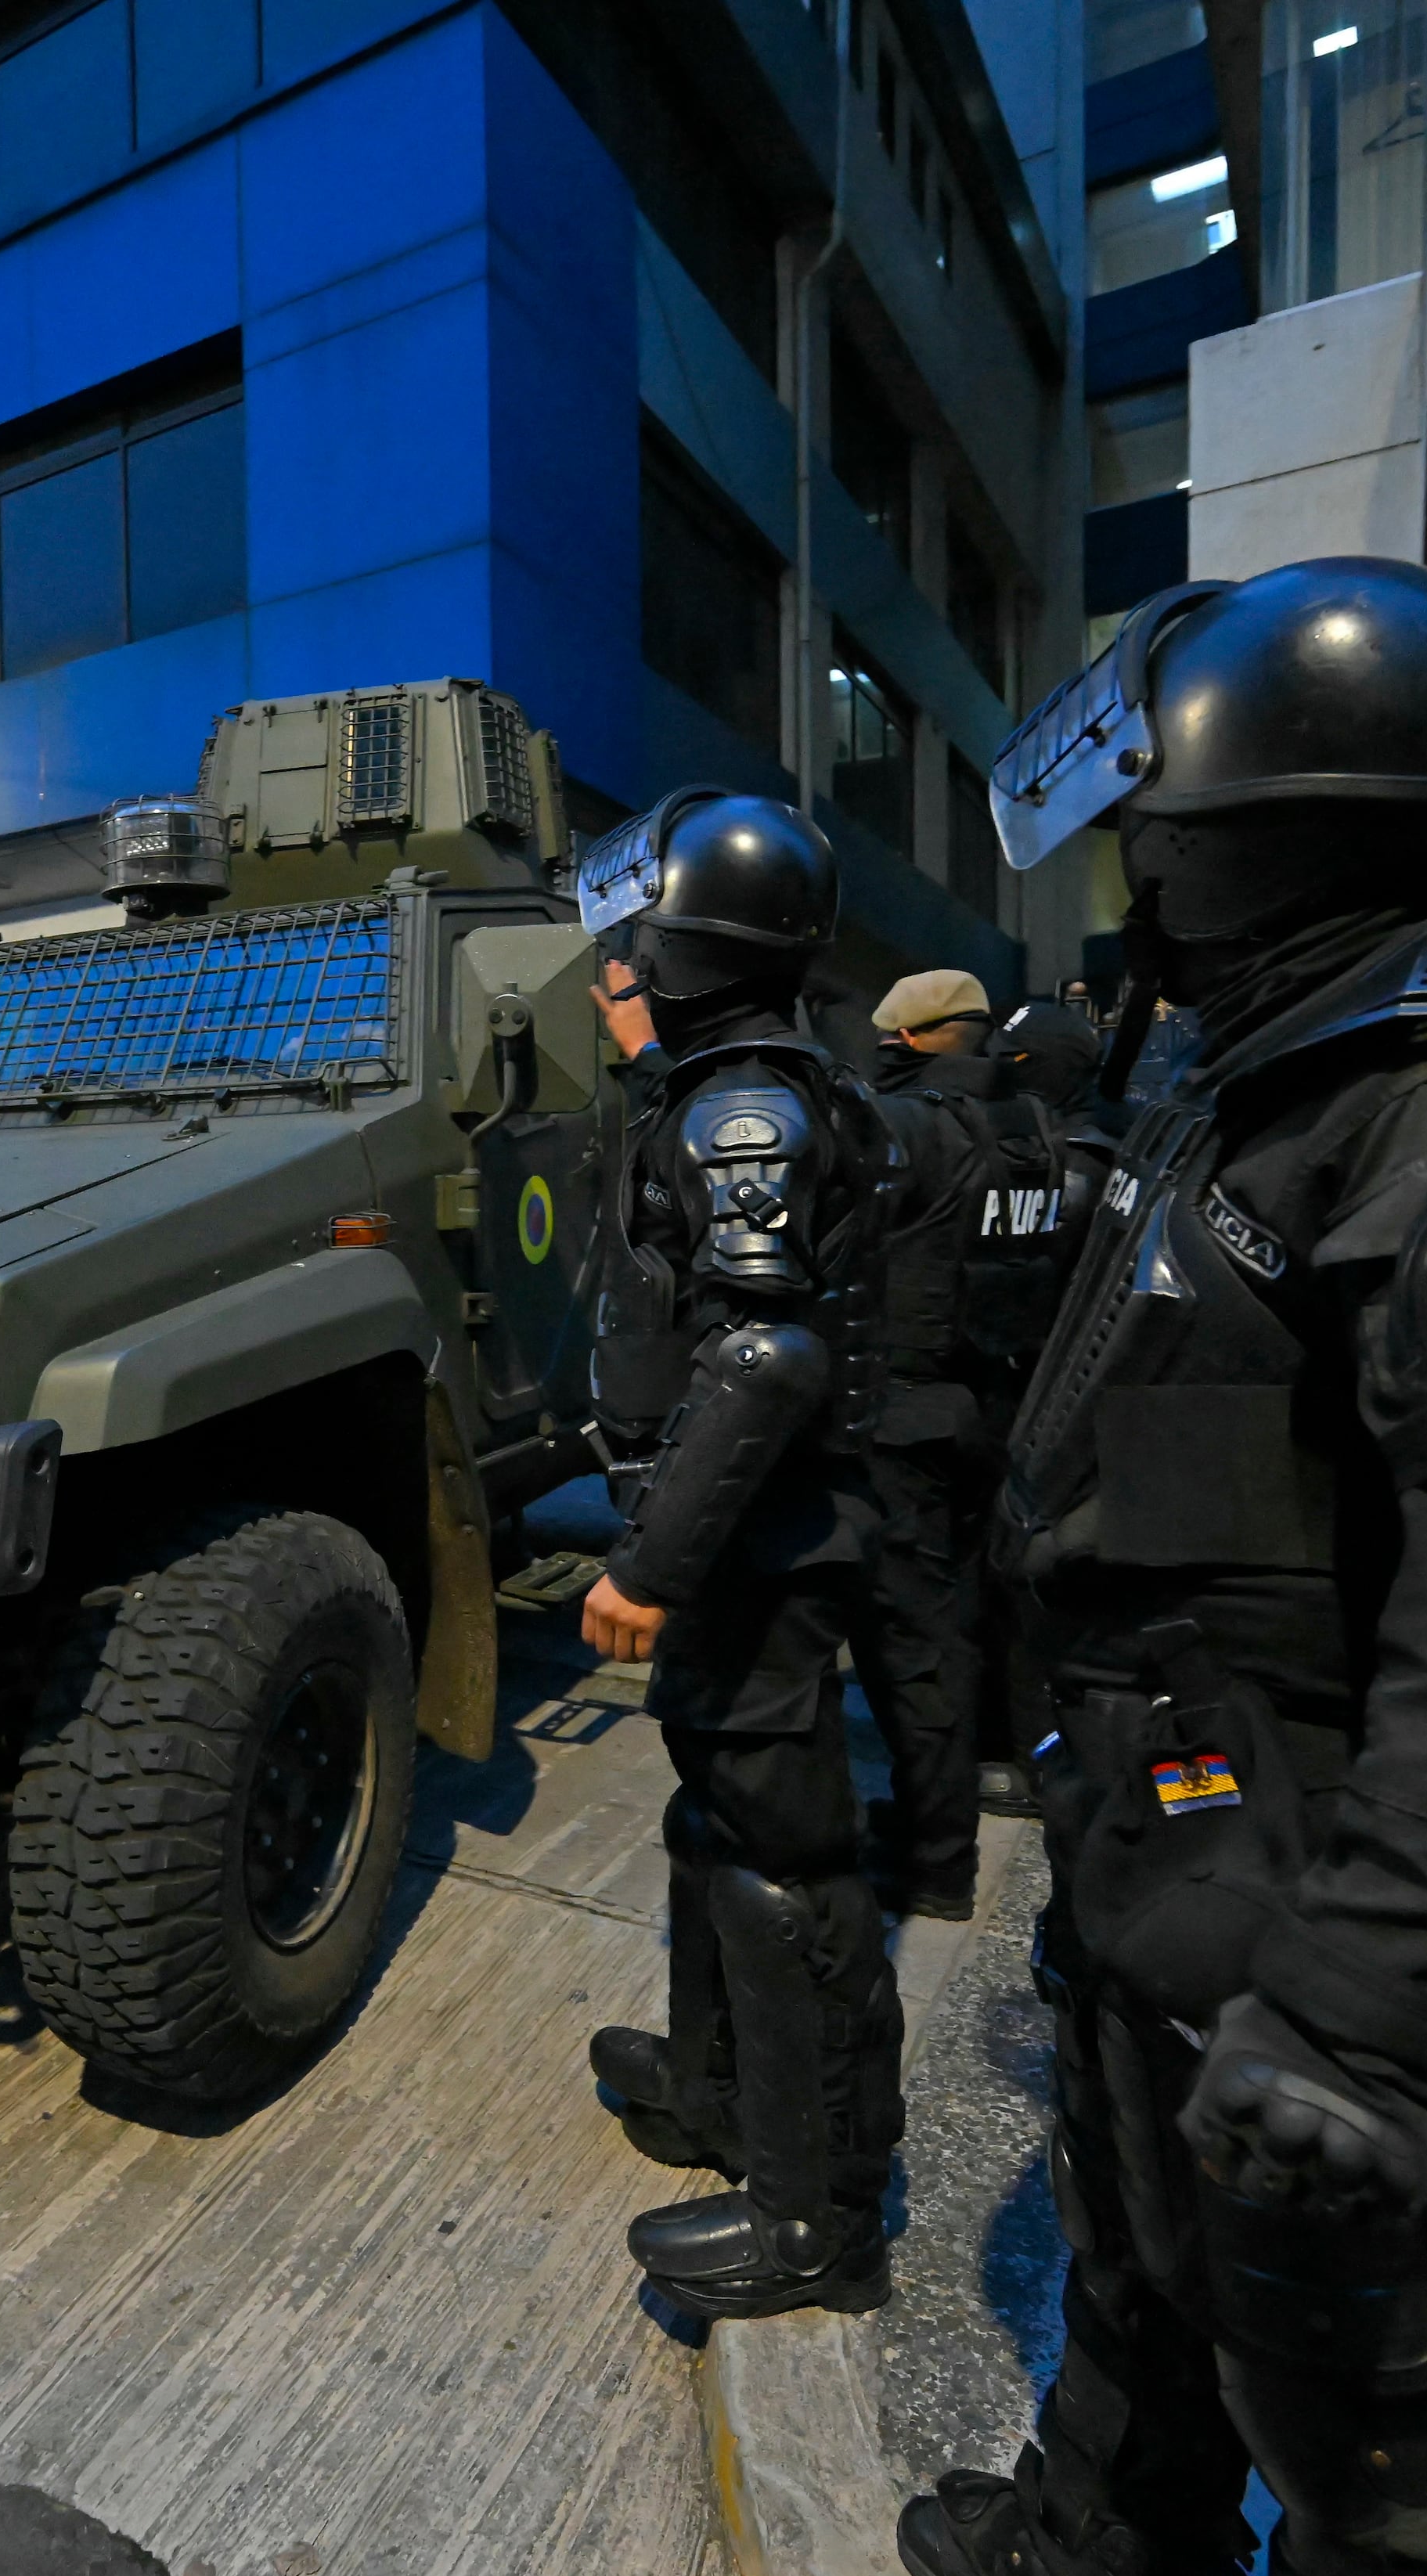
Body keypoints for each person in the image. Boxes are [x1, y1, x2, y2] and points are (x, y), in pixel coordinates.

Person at [893, 559, 1427, 2576]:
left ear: (1243, 827)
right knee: (1137, 2243)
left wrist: (1367, 2010)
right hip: (1176, 1812)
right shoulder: (1269, 1075)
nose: (1137, 873)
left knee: (1367, 2432)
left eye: (1154, 829)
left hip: (1309, 1868)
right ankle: (1099, 2556)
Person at [571, 791, 908, 2322]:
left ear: (696, 942)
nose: (631, 954)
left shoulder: (745, 1107)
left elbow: (766, 1357)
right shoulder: (735, 1084)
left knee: (785, 1866)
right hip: (745, 1537)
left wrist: (650, 1563)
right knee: (718, 1830)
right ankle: (719, 2093)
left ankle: (818, 2211)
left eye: (652, 932)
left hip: (754, 1546)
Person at [853, 969, 1080, 1916]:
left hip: (908, 1413)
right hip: (996, 1407)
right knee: (971, 1619)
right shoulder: (1034, 1127)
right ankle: (942, 1817)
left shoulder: (909, 1127)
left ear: (907, 1040)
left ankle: (934, 1860)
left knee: (913, 1646)